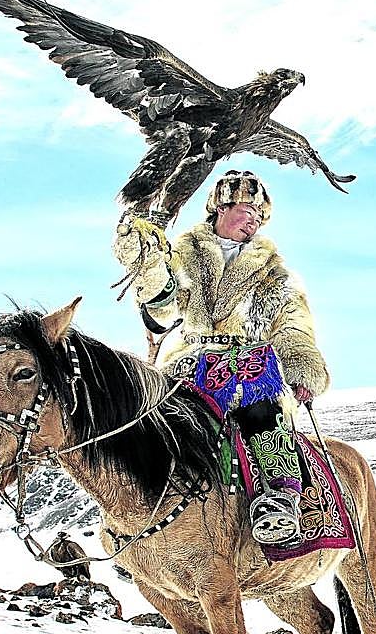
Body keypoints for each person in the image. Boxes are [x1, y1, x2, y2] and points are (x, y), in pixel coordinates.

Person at [113, 170, 330, 547]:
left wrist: (300, 367)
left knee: (261, 410)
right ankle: (134, 515)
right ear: (221, 207)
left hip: (249, 362)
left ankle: (279, 497)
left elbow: (292, 321)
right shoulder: (180, 256)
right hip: (189, 364)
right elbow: (162, 313)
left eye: (260, 216)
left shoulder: (275, 273)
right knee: (144, 423)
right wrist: (147, 266)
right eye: (248, 210)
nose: (254, 221)